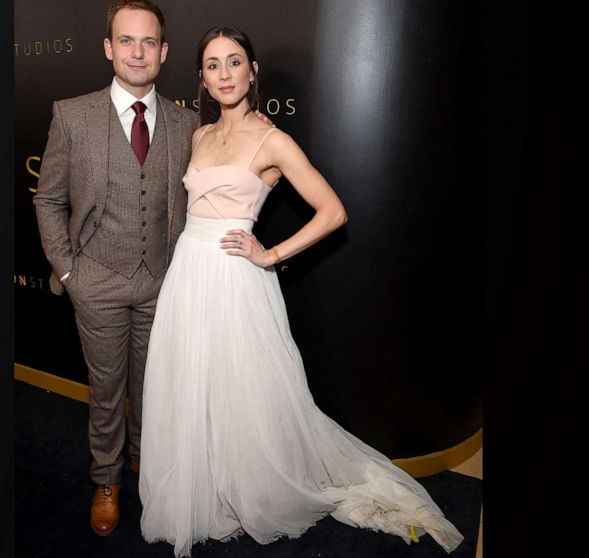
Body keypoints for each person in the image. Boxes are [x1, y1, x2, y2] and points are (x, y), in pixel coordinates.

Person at [138, 26, 465, 557]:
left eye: (234, 61)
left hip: (233, 276)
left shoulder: (273, 141)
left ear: (253, 71)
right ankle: (207, 483)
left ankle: (250, 485)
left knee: (243, 386)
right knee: (194, 379)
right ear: (200, 77)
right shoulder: (200, 136)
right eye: (213, 65)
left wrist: (269, 255)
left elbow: (333, 212)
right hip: (189, 272)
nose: (224, 74)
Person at [32, 0, 198, 537]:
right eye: (126, 41)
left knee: (156, 389)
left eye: (148, 42)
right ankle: (107, 479)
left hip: (161, 284)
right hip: (96, 283)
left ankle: (147, 468)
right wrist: (70, 270)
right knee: (106, 393)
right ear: (108, 48)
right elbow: (48, 199)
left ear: (164, 52)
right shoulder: (71, 115)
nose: (137, 52)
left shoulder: (187, 122)